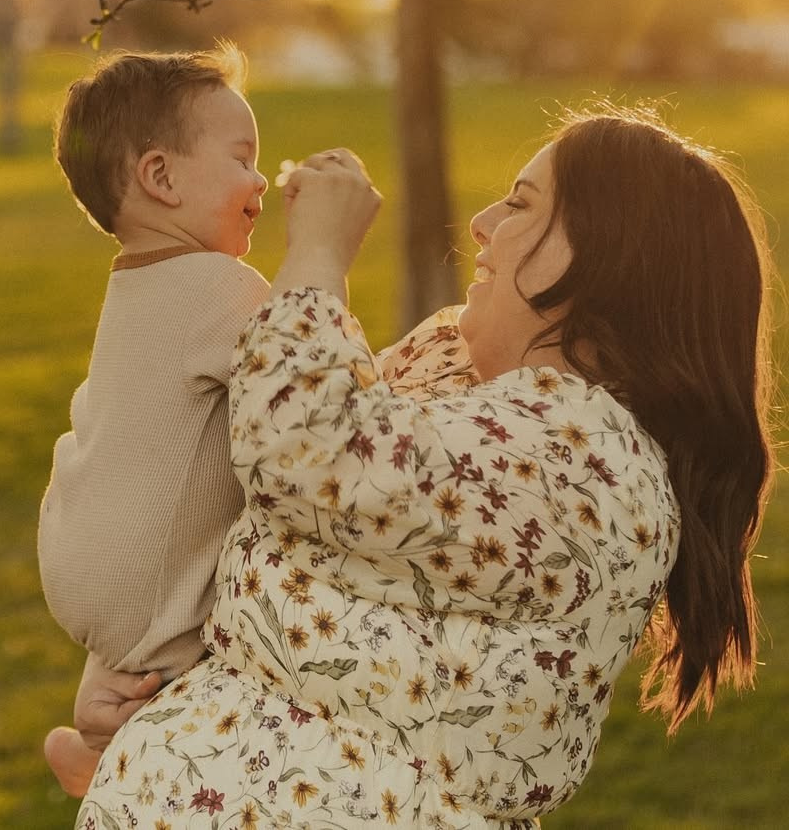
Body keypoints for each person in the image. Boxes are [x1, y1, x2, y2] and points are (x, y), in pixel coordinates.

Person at [70, 104, 774, 827]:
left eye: (523, 204)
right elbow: (264, 517)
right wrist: (149, 652)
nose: (482, 223)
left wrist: (315, 257)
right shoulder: (457, 371)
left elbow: (302, 453)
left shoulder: (591, 467)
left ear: (613, 256)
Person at [37, 45, 271, 792]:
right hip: (138, 582)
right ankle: (119, 766)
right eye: (242, 158)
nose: (261, 179)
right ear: (160, 176)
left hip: (78, 548)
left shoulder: (133, 284)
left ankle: (100, 743)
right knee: (211, 684)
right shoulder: (219, 288)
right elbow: (318, 369)